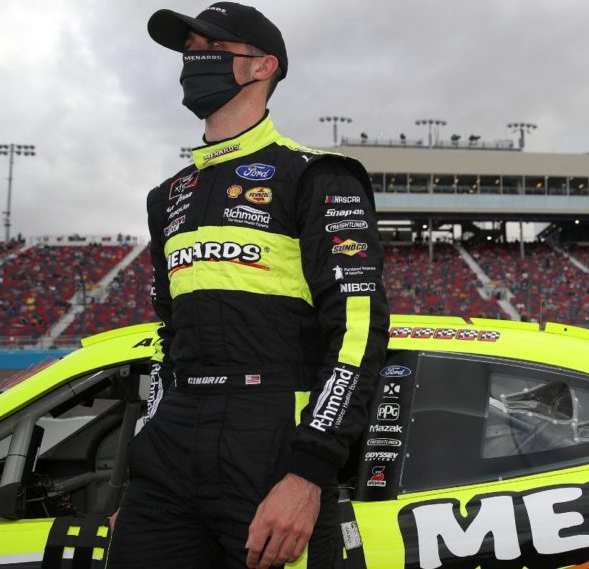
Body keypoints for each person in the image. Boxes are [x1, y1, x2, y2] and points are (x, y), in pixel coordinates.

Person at [106, 4, 389, 568]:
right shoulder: (167, 196)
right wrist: (137, 480)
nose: (193, 61)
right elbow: (170, 341)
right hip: (171, 451)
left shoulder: (317, 174)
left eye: (209, 49)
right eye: (188, 51)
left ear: (263, 67)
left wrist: (309, 473)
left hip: (273, 441)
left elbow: (358, 333)